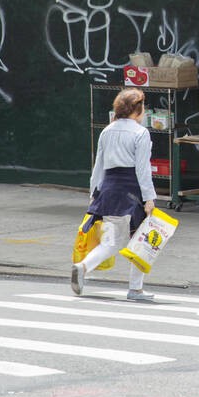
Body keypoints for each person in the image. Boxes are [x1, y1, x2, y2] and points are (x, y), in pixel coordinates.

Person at [72, 88, 157, 301]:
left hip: (108, 192)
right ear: (137, 110)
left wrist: (94, 193)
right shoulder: (141, 133)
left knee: (111, 242)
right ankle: (135, 289)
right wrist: (149, 198)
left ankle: (83, 267)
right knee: (142, 241)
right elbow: (142, 169)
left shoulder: (107, 131)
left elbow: (98, 166)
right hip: (131, 194)